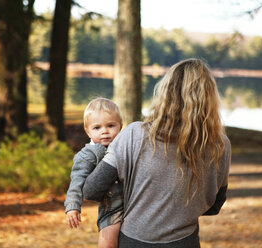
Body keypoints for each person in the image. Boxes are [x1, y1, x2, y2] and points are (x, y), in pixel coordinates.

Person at [83, 58, 231, 247]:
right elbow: (214, 206)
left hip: (133, 241)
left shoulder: (134, 134)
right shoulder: (220, 144)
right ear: (209, 98)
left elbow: (92, 190)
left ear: (165, 92)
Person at [64, 97, 124, 248]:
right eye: (97, 128)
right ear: (88, 131)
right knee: (108, 243)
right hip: (111, 209)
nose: (104, 131)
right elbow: (77, 180)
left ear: (120, 126)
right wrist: (72, 206)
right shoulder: (88, 154)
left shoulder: (125, 147)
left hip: (133, 205)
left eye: (110, 125)